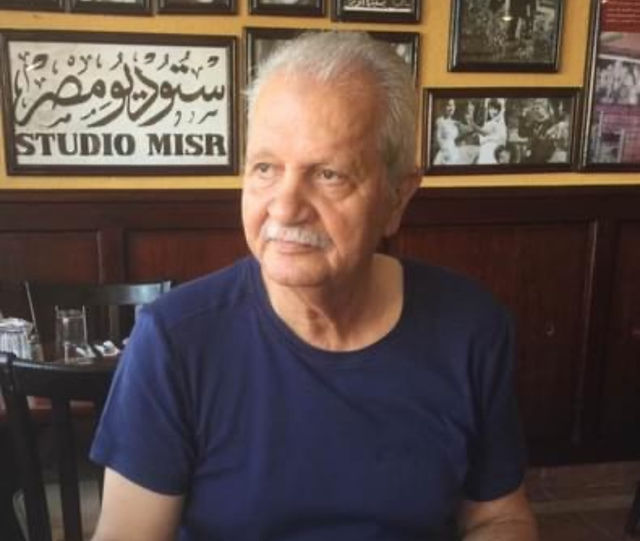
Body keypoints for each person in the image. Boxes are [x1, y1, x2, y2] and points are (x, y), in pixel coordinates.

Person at [90, 31, 538, 541]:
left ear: (397, 197)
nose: (284, 208)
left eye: (329, 174)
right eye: (265, 168)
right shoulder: (174, 340)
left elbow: (499, 517)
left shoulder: (470, 328)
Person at [433, 99, 462, 165]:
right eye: (449, 105)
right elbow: (438, 139)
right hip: (445, 156)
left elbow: (454, 138)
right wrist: (445, 152)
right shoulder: (440, 121)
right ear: (443, 107)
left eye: (453, 105)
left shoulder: (454, 122)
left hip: (454, 153)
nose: (451, 108)